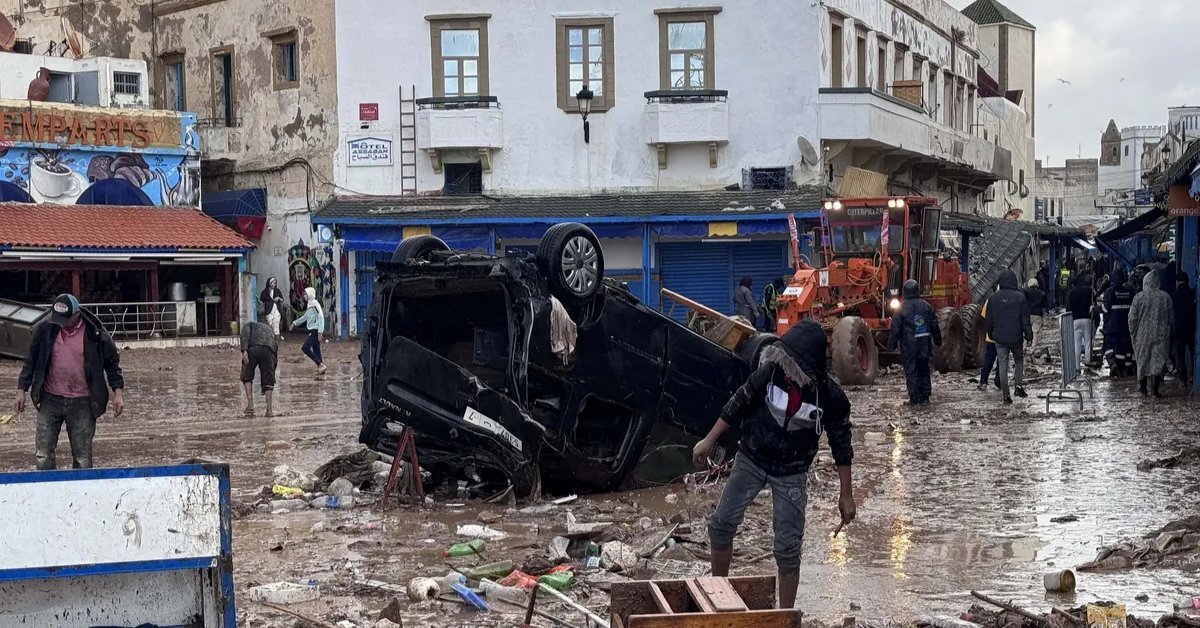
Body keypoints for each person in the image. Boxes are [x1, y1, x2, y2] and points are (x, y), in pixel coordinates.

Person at [693, 321, 855, 610]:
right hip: (752, 457)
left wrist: (846, 494)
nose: (786, 369)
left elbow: (841, 446)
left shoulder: (830, 398)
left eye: (792, 364)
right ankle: (719, 593)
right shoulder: (769, 373)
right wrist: (709, 439)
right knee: (720, 526)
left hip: (792, 472)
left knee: (788, 548)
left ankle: (786, 615)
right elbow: (739, 401)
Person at [14, 294, 124, 470]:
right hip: (50, 399)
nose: (61, 323)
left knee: (82, 458)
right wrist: (22, 389)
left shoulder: (95, 333)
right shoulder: (45, 329)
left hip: (83, 402)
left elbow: (112, 364)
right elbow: (31, 360)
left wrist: (118, 392)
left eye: (65, 319)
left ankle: (82, 486)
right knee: (43, 453)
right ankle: (47, 484)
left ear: (77, 314)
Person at [888, 279, 942, 404]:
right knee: (924, 369)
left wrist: (891, 345)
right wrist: (938, 340)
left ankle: (914, 398)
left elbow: (895, 329)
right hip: (924, 344)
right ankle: (925, 396)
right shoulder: (926, 306)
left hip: (909, 346)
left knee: (911, 371)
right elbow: (934, 325)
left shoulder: (900, 308)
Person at [986, 269, 1032, 404]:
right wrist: (1029, 336)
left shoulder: (992, 298)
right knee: (1018, 361)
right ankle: (1018, 386)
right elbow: (1025, 319)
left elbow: (989, 320)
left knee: (1002, 364)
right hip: (1016, 337)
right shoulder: (1020, 297)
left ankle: (1006, 395)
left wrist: (990, 334)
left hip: (999, 337)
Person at [1130, 270, 1174, 397]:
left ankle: (1143, 389)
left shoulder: (1139, 297)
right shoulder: (1166, 297)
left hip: (1142, 336)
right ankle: (1155, 391)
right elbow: (1171, 317)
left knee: (1142, 361)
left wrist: (1132, 331)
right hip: (1161, 335)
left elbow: (1132, 318)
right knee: (1157, 362)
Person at [1101, 267, 1135, 377]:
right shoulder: (1128, 292)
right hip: (1125, 325)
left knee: (1108, 345)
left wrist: (1096, 308)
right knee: (1122, 347)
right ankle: (1123, 369)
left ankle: (1113, 364)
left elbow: (1105, 309)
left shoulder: (1110, 292)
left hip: (1112, 326)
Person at [240, 319, 278, 416]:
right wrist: (272, 372)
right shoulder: (270, 330)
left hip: (253, 348)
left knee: (247, 375)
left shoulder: (249, 324)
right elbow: (275, 351)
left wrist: (244, 350)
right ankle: (269, 410)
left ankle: (250, 405)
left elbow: (245, 334)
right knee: (268, 380)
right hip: (268, 350)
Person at [291, 286, 326, 376]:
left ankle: (320, 364)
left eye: (305, 294)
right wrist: (295, 323)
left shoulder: (314, 303)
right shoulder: (310, 304)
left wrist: (320, 331)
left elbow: (320, 316)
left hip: (315, 330)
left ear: (310, 294)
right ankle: (321, 367)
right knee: (316, 350)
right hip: (312, 329)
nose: (304, 296)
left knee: (305, 348)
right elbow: (305, 316)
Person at [1174, 272, 1196, 388]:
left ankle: (1183, 379)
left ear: (1177, 282)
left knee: (1180, 356)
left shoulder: (1174, 295)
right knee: (1193, 353)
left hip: (1178, 330)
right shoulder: (1193, 293)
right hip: (1191, 328)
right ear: (1187, 280)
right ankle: (1194, 376)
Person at [1068, 274, 1095, 369]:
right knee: (1088, 342)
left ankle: (1077, 366)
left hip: (1075, 320)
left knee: (1077, 344)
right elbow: (1093, 303)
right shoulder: (1089, 290)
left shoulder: (1071, 292)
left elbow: (1068, 307)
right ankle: (1088, 362)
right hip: (1087, 319)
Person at [1024, 277, 1047, 349]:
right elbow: (1045, 304)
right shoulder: (1041, 293)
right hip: (1037, 314)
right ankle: (1033, 347)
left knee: (1026, 330)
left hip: (1027, 313)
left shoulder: (1025, 291)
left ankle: (1024, 346)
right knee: (1035, 331)